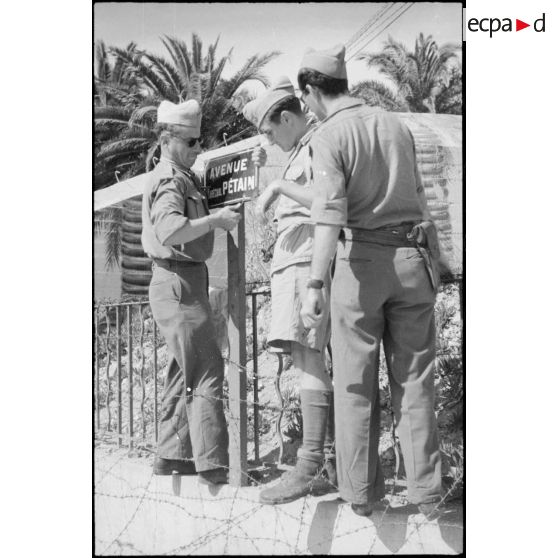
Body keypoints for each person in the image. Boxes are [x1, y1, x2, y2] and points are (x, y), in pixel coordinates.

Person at [297, 45, 443, 517]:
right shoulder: (394, 124)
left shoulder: (328, 135)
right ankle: (425, 490)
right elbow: (421, 199)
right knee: (416, 379)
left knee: (356, 384)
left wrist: (315, 285)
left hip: (361, 265)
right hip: (411, 259)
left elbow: (329, 216)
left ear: (312, 90)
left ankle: (360, 492)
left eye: (305, 100)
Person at [242, 77, 336, 504]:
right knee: (304, 361)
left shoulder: (317, 143)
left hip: (304, 263)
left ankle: (313, 463)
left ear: (285, 118)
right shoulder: (299, 149)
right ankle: (323, 460)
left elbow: (324, 200)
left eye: (268, 131)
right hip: (291, 263)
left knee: (310, 361)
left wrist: (278, 186)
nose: (268, 140)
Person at [141, 99, 243, 484]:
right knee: (206, 369)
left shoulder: (179, 174)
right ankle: (213, 464)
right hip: (178, 281)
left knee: (183, 369)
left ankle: (173, 454)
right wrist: (216, 220)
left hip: (182, 281)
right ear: (167, 140)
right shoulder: (170, 178)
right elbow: (170, 230)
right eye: (191, 141)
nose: (198, 149)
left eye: (200, 141)